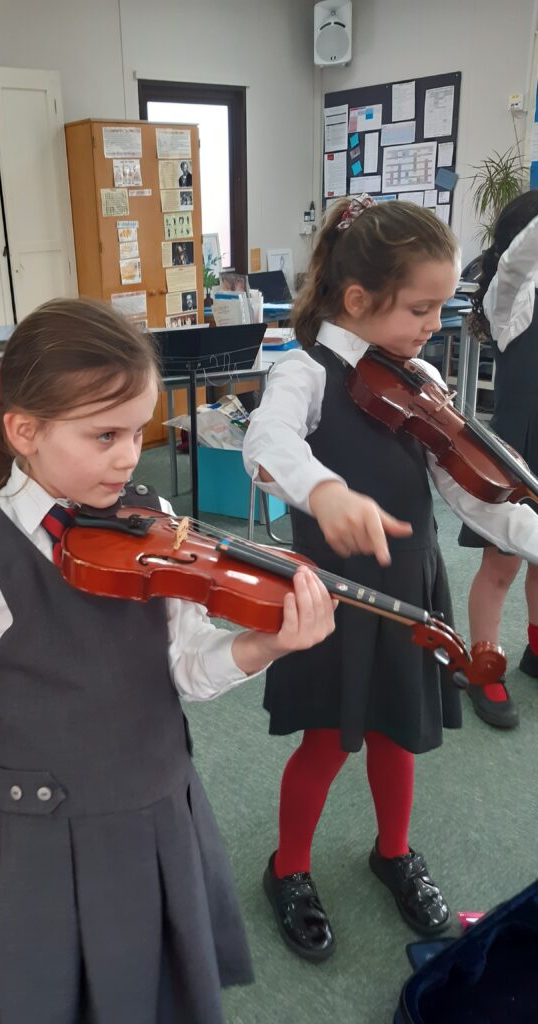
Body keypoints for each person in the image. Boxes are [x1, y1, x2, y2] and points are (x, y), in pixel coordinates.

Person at [0, 298, 337, 1023]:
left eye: (138, 431)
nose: (130, 456)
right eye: (104, 435)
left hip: (165, 815)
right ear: (24, 430)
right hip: (54, 850)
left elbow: (185, 668)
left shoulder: (150, 522)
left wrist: (268, 643)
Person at [243, 195, 538, 964]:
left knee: (398, 733)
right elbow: (267, 445)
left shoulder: (414, 379)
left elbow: (472, 488)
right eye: (421, 307)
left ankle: (393, 852)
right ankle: (289, 868)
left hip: (410, 592)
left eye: (442, 307)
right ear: (357, 299)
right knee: (324, 742)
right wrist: (325, 491)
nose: (435, 324)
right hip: (331, 599)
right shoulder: (304, 371)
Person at [457, 191, 538, 728]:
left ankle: (535, 646)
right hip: (516, 453)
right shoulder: (510, 300)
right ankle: (483, 666)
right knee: (502, 565)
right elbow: (516, 263)